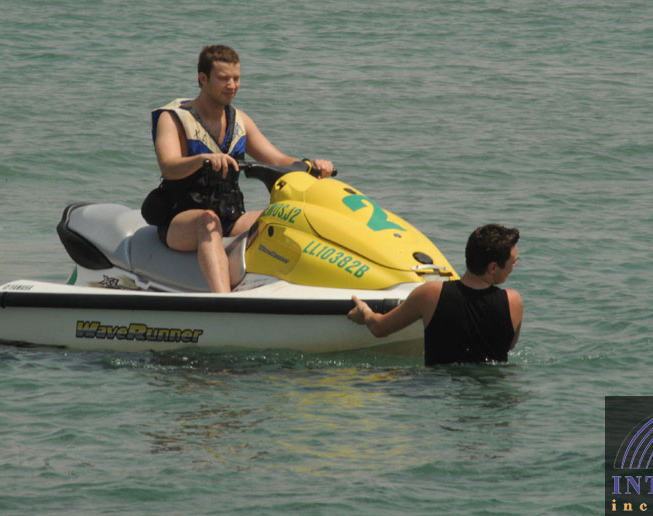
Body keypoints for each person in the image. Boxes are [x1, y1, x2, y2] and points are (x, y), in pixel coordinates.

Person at [150, 44, 333, 293]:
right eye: (223, 79)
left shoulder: (240, 120)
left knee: (286, 216)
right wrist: (202, 159)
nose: (232, 85)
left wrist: (312, 167)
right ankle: (223, 301)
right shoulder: (172, 118)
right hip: (181, 221)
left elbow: (277, 160)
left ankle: (306, 287)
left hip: (231, 217)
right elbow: (169, 167)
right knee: (208, 220)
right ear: (203, 79)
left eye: (236, 78)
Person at [347, 224, 523, 366]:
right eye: (513, 261)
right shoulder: (513, 301)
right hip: (494, 396)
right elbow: (509, 346)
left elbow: (379, 328)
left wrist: (365, 312)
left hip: (439, 392)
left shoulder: (430, 294)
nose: (514, 265)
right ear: (492, 267)